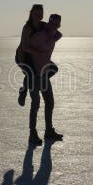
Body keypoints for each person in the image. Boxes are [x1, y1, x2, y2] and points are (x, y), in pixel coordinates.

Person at [26, 14, 63, 145]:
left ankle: (49, 131)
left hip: (44, 74)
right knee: (35, 104)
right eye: (52, 24)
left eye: (57, 24)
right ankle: (32, 134)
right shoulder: (39, 36)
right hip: (33, 74)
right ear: (49, 23)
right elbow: (26, 48)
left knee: (50, 102)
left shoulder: (56, 35)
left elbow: (56, 35)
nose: (55, 26)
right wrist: (36, 54)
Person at [15, 4, 45, 107]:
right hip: (22, 56)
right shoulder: (27, 28)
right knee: (30, 74)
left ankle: (37, 83)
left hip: (34, 58)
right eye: (36, 13)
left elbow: (53, 28)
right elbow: (24, 47)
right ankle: (23, 91)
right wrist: (37, 52)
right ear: (31, 14)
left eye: (40, 13)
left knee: (53, 68)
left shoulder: (42, 25)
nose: (38, 15)